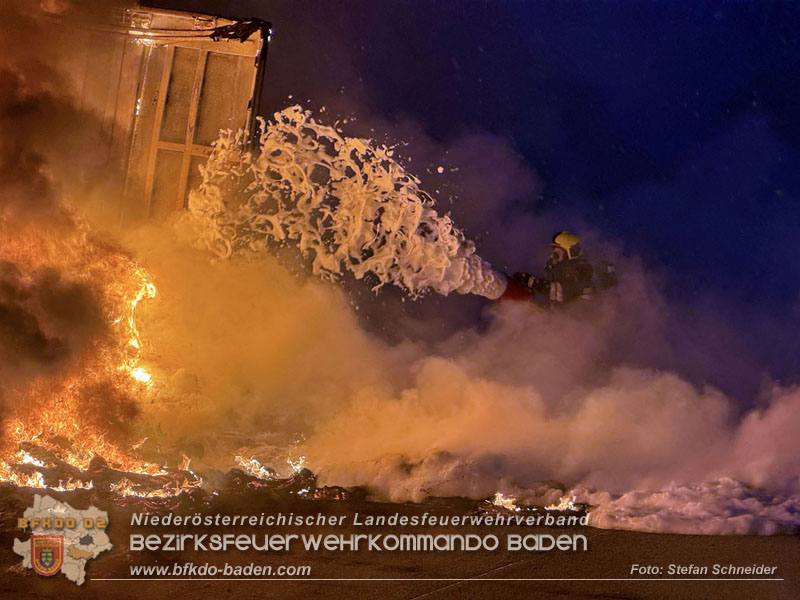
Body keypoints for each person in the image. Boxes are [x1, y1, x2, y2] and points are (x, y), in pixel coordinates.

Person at [512, 231, 596, 305]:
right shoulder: (571, 269)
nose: (553, 256)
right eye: (553, 252)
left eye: (557, 253)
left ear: (570, 252)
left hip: (578, 314)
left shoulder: (577, 270)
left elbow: (561, 294)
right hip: (571, 313)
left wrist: (531, 281)